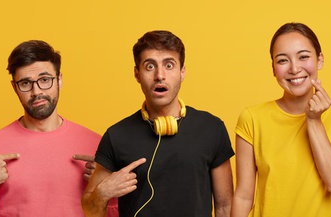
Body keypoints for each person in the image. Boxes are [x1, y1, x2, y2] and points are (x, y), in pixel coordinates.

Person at [82, 30, 234, 217]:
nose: (160, 75)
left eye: (169, 65)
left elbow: (225, 206)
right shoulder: (116, 136)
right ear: (137, 74)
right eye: (149, 66)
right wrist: (103, 192)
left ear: (182, 72)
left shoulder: (212, 128)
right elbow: (89, 209)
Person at [0, 40, 115, 216]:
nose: (36, 91)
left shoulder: (97, 145)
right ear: (14, 88)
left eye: (45, 80)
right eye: (25, 83)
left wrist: (106, 190)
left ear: (59, 80)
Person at [231, 22, 331, 217]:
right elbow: (243, 196)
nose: (294, 68)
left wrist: (314, 120)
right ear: (273, 68)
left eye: (304, 57)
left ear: (320, 60)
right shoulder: (252, 118)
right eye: (282, 60)